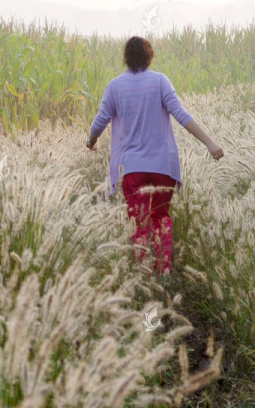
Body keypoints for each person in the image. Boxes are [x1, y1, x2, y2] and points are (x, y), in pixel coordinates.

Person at [86, 36, 223, 285]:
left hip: (134, 169)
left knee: (138, 224)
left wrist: (91, 141)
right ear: (150, 56)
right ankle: (165, 276)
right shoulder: (160, 81)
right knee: (161, 219)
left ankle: (142, 280)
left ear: (126, 58)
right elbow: (181, 114)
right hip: (163, 168)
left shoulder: (115, 86)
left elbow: (100, 121)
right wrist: (209, 142)